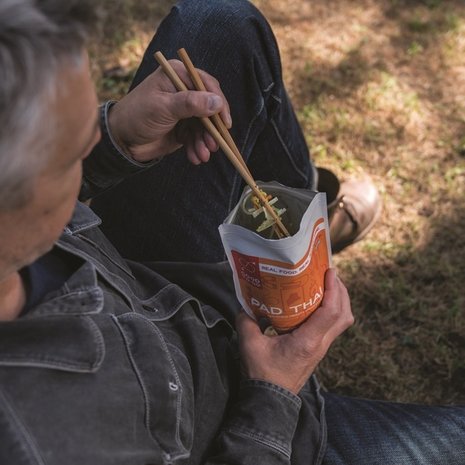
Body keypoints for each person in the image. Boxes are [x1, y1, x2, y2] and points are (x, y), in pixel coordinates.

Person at [0, 1, 463, 465]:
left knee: (217, 25)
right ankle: (289, 257)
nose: (90, 147)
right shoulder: (32, 440)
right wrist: (274, 394)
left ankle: (296, 245)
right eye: (75, 155)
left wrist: (117, 138)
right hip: (237, 418)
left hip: (149, 286)